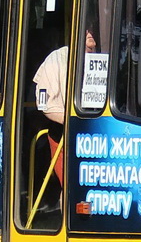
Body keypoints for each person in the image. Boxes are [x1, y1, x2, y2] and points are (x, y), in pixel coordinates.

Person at [34, 29, 97, 183]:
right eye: (86, 28)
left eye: (94, 26)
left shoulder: (115, 55)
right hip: (65, 135)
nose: (90, 32)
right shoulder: (58, 58)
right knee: (72, 190)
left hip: (103, 134)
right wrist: (73, 121)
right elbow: (44, 104)